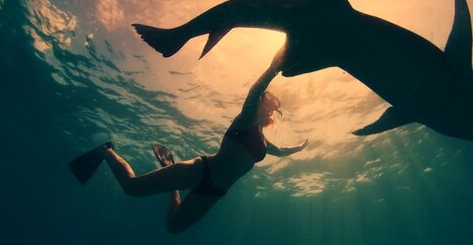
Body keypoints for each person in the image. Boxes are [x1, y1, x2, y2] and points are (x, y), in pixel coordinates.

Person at [70, 46, 307, 233]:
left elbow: (282, 151)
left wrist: (299, 147)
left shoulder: (263, 142)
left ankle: (172, 184)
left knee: (173, 227)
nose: (268, 103)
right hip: (201, 171)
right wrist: (274, 67)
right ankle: (106, 151)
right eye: (267, 99)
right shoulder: (245, 118)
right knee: (132, 188)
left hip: (215, 191)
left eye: (272, 103)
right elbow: (255, 90)